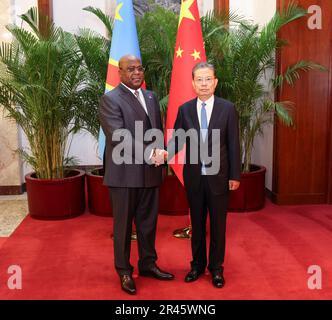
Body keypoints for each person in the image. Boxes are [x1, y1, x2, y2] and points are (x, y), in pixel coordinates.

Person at [99, 54, 174, 295]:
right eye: (130, 69)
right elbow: (119, 136)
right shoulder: (110, 99)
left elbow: (156, 131)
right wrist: (150, 154)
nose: (136, 73)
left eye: (140, 68)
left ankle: (148, 264)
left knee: (148, 223)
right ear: (119, 72)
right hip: (123, 175)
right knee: (123, 227)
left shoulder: (150, 97)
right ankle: (123, 271)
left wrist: (160, 153)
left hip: (150, 173)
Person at [167, 62, 241, 288]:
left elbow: (233, 145)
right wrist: (162, 153)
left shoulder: (227, 108)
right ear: (192, 83)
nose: (204, 84)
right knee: (197, 226)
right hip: (194, 178)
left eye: (208, 79)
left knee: (218, 226)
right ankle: (197, 265)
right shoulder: (185, 109)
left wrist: (235, 175)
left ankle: (216, 269)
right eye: (199, 79)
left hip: (219, 178)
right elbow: (177, 140)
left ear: (215, 82)